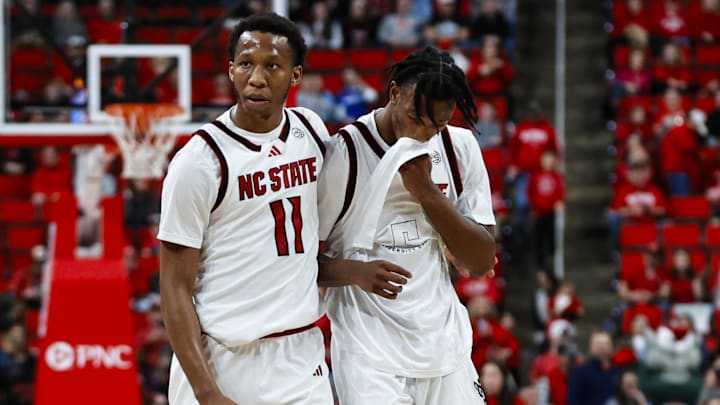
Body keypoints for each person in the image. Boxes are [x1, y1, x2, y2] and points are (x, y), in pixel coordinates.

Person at [158, 13, 402, 405]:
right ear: (231, 69)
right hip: (223, 358)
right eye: (246, 64)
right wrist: (207, 393)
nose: (256, 77)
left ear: (295, 75)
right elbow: (173, 288)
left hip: (299, 356)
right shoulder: (199, 162)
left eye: (272, 66)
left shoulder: (310, 131)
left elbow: (298, 253)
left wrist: (355, 271)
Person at [317, 46, 496, 404]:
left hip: (445, 347)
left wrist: (427, 192)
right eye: (416, 117)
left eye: (437, 124)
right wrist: (354, 272)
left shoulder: (458, 149)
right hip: (370, 355)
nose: (422, 133)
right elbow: (295, 261)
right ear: (394, 93)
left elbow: (480, 261)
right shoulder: (343, 156)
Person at [567, 331, 620, 405]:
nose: (601, 347)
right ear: (591, 347)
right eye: (598, 343)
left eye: (605, 343)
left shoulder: (617, 371)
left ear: (611, 346)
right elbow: (573, 399)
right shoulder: (580, 372)